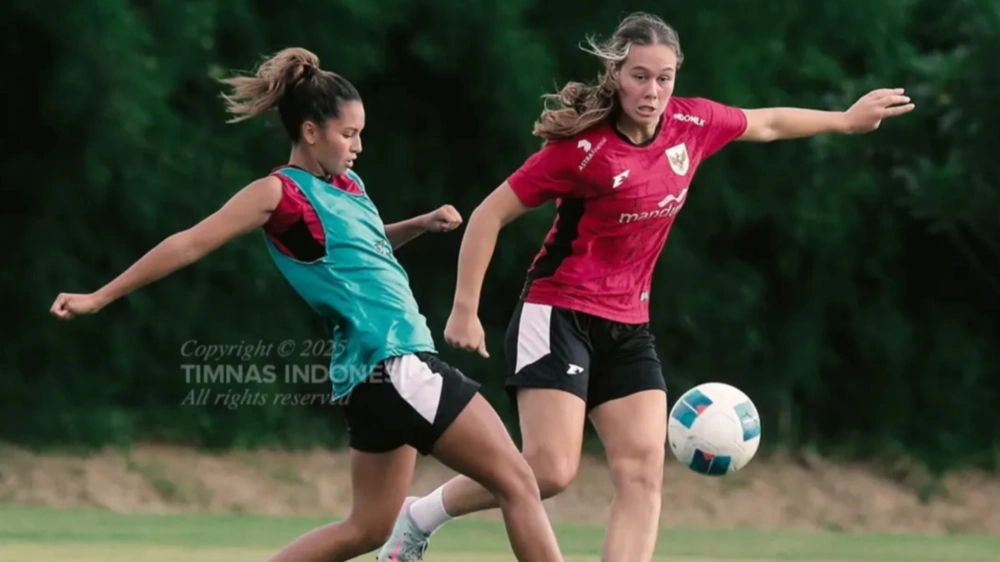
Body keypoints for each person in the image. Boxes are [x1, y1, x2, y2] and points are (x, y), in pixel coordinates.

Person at [377, 11, 915, 562]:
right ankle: (419, 516)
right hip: (557, 313)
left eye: (663, 78)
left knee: (642, 477)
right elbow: (489, 216)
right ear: (616, 74)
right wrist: (465, 308)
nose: (652, 91)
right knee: (549, 471)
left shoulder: (693, 125)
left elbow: (769, 121)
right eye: (639, 76)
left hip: (630, 325)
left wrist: (846, 121)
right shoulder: (580, 150)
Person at [49, 47, 568, 562]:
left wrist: (419, 224)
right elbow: (188, 243)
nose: (359, 145)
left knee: (367, 528)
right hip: (395, 362)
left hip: (371, 379)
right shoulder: (279, 194)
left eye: (361, 133)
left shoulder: (348, 185)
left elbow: (361, 251)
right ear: (311, 131)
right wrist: (100, 296)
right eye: (348, 134)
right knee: (519, 481)